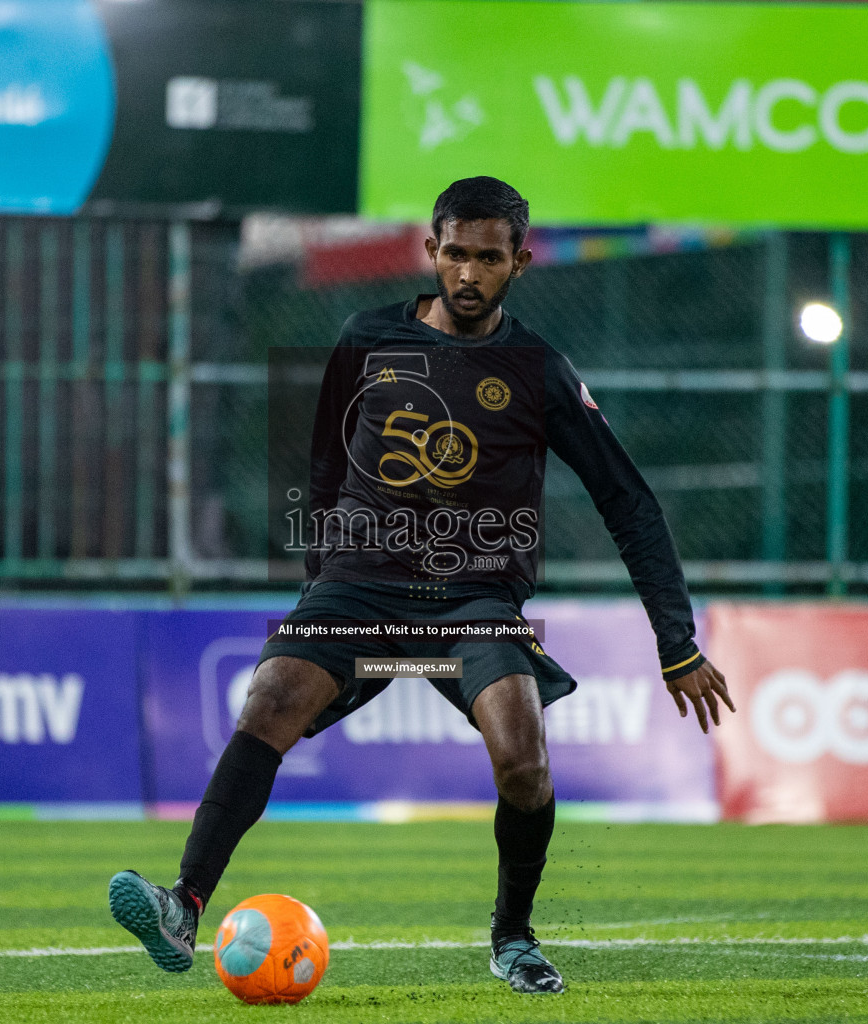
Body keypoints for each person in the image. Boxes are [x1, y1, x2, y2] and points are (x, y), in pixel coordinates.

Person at [109, 177, 733, 993]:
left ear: (520, 262)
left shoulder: (538, 369)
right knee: (268, 701)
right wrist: (325, 582)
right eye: (457, 254)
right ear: (431, 250)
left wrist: (677, 642)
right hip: (359, 587)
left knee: (522, 755)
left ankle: (513, 936)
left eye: (490, 258)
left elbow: (629, 503)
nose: (470, 273)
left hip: (475, 601)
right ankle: (183, 904)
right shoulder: (366, 337)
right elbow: (328, 463)